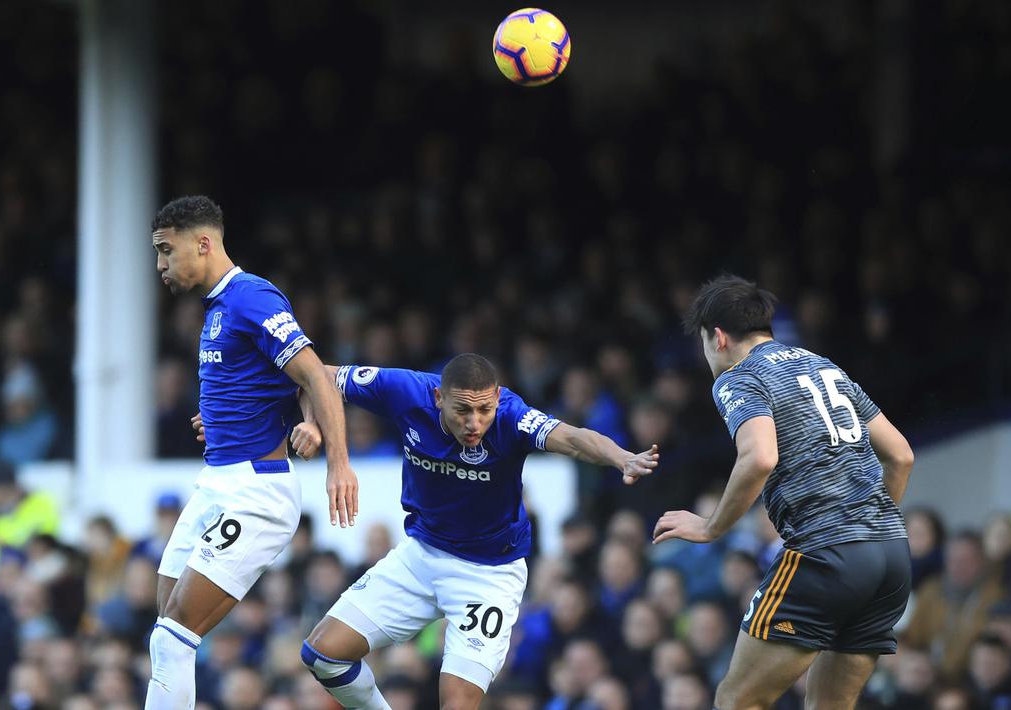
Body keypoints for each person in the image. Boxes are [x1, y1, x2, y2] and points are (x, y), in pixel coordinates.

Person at [269, 353, 658, 710]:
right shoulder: (405, 390)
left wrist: (620, 456)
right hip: (421, 555)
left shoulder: (511, 416)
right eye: (463, 410)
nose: (475, 423)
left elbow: (572, 438)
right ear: (438, 397)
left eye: (484, 410)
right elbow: (313, 375)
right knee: (322, 655)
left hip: (488, 574)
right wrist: (311, 422)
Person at [652, 275, 916, 710]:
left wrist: (711, 527)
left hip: (826, 554)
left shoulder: (738, 377)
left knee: (737, 700)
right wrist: (868, 529)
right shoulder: (823, 365)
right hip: (890, 554)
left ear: (718, 338)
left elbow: (759, 458)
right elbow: (901, 455)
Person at [145, 195, 358, 710]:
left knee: (171, 636)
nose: (160, 266)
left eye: (166, 251)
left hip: (256, 492)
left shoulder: (253, 298)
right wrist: (217, 417)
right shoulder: (218, 308)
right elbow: (267, 384)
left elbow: (315, 374)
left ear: (203, 242)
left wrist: (338, 462)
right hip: (217, 481)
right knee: (165, 634)